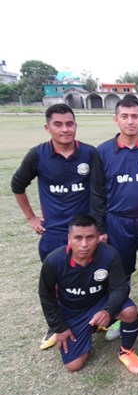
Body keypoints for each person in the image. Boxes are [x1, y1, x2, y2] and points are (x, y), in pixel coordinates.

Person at [11, 103, 97, 350]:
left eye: (69, 124)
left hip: (86, 232)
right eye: (58, 124)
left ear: (75, 126)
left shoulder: (90, 153)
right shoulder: (37, 155)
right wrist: (31, 218)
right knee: (57, 283)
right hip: (55, 232)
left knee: (93, 276)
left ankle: (100, 320)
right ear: (47, 128)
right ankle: (56, 325)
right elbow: (17, 185)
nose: (64, 129)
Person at [90, 96, 138, 341]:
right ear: (116, 119)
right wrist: (100, 228)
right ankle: (119, 317)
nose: (130, 121)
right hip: (117, 222)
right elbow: (97, 194)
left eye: (134, 116)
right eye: (125, 116)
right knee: (120, 274)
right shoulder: (103, 152)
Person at [38, 215, 138, 374]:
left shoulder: (109, 254)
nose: (84, 244)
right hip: (72, 311)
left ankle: (126, 351)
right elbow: (47, 297)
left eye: (90, 237)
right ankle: (90, 328)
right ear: (69, 238)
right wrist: (59, 328)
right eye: (78, 238)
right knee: (73, 365)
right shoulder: (54, 261)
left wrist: (107, 310)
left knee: (129, 311)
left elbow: (120, 288)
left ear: (98, 238)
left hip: (100, 303)